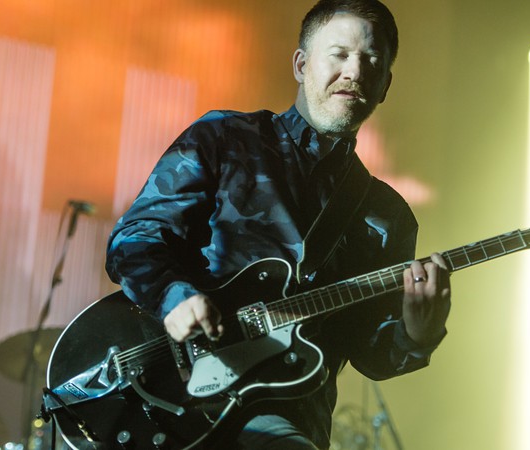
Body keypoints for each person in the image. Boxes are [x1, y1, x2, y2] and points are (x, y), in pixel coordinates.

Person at [106, 0, 452, 448]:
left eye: (372, 61)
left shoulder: (387, 216)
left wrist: (418, 333)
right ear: (301, 64)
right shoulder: (225, 139)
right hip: (169, 395)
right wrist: (174, 297)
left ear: (385, 84)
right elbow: (135, 238)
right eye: (340, 54)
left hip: (285, 419)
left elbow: (372, 353)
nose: (355, 71)